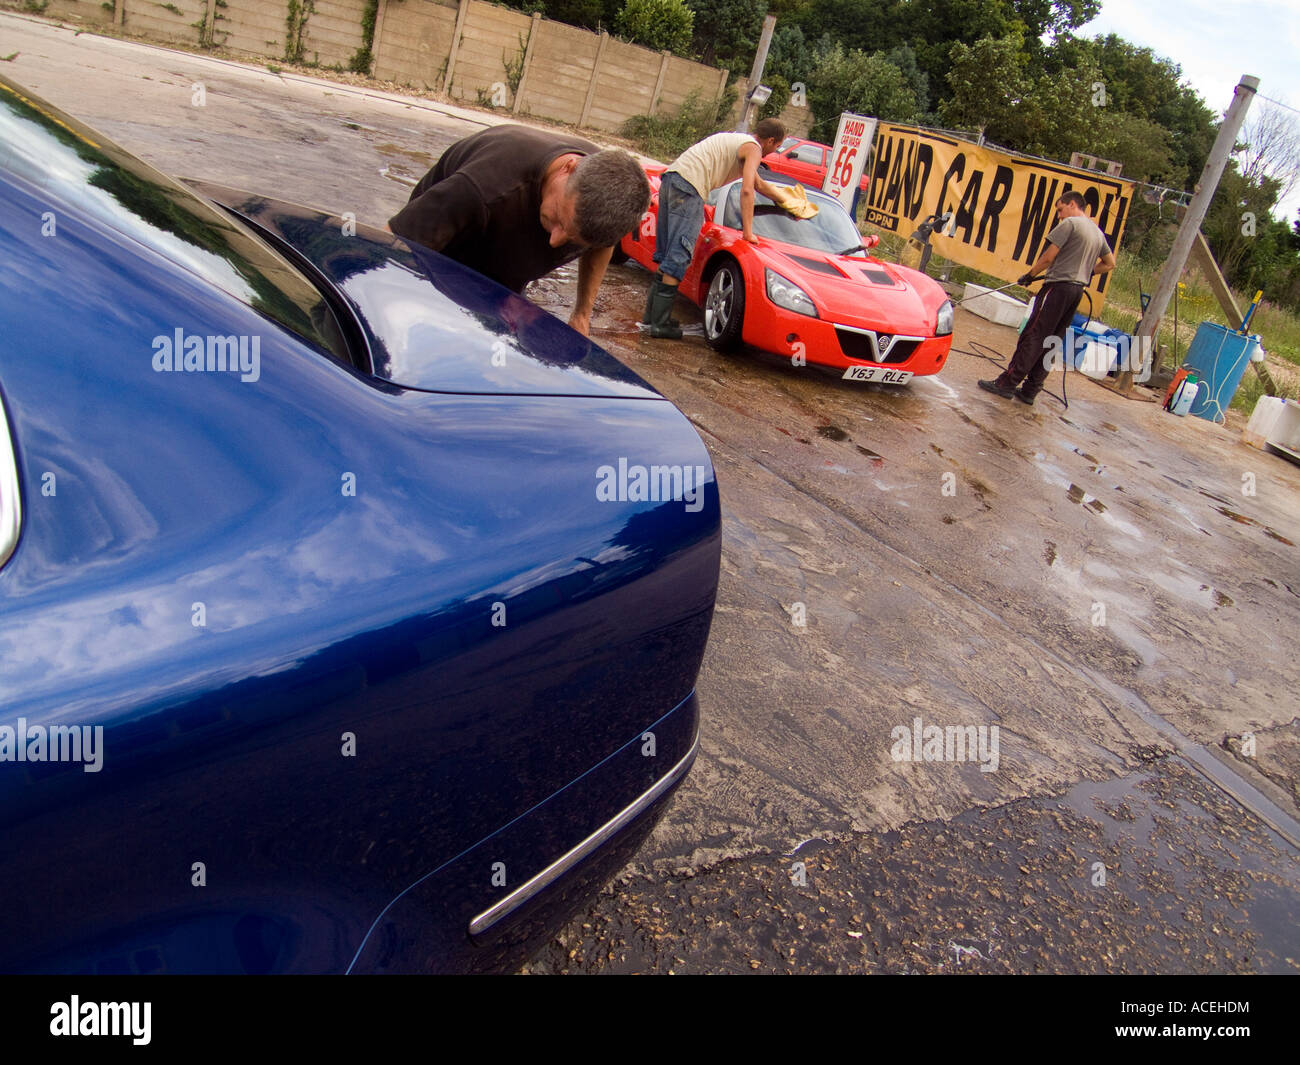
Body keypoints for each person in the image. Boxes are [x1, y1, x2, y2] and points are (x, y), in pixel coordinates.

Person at [388, 125, 650, 337]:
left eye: (573, 238)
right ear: (568, 168)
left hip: (504, 278)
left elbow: (604, 245)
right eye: (559, 218)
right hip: (442, 260)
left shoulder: (608, 197)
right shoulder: (483, 188)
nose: (555, 240)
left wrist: (582, 313)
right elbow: (392, 246)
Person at [644, 119, 787, 339]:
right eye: (777, 147)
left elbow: (758, 184)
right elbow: (747, 190)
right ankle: (660, 325)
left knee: (667, 255)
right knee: (679, 256)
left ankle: (652, 320)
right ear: (770, 141)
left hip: (672, 179)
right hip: (689, 187)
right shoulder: (754, 149)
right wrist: (748, 233)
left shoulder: (740, 141)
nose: (774, 151)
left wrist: (785, 200)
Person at [979, 190, 1116, 405]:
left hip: (1057, 287)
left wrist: (1030, 275)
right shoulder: (1097, 233)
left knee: (1033, 334)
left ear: (1072, 204)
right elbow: (1110, 263)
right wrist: (1087, 273)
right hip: (1076, 292)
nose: (1059, 216)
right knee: (1052, 339)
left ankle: (1006, 383)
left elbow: (1048, 257)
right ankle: (1030, 390)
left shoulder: (1070, 224)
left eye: (1060, 209)